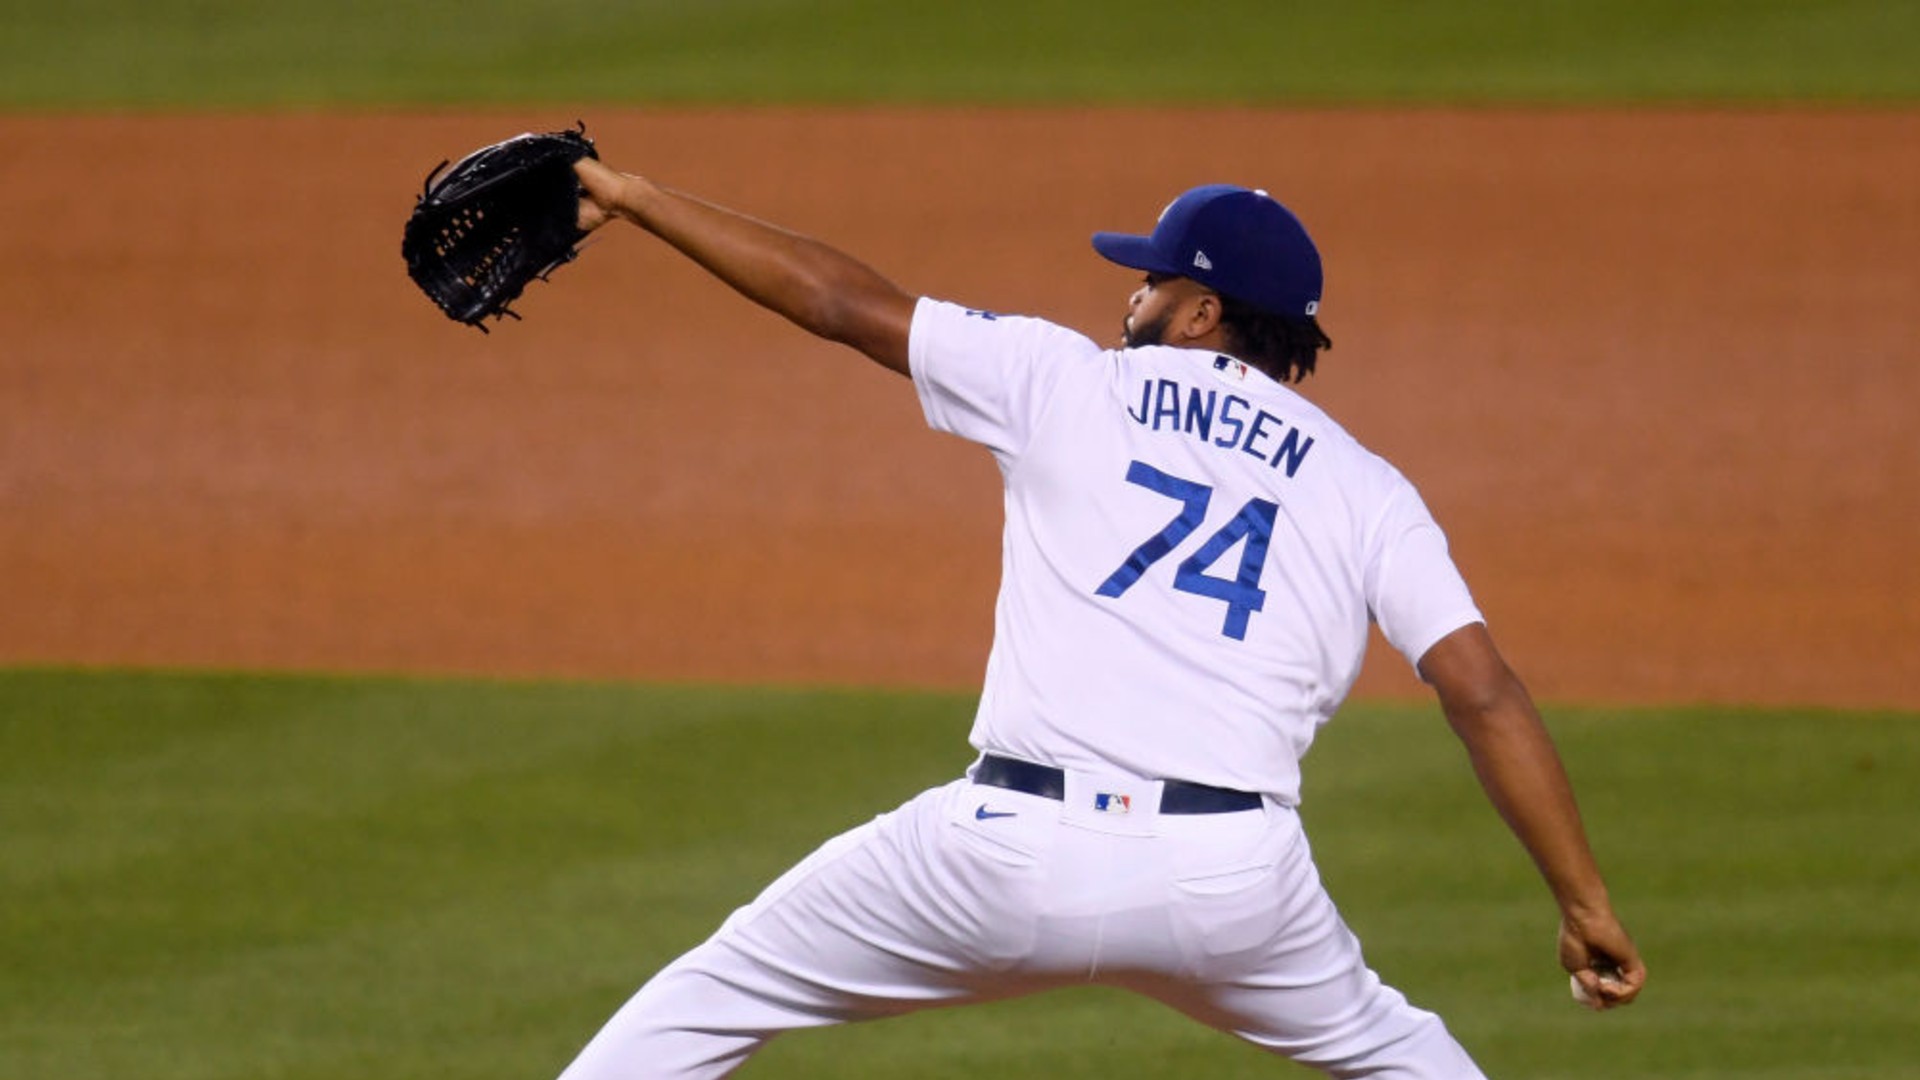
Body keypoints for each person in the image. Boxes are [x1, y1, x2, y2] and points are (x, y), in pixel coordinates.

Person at [555, 153, 1646, 1079]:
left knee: (711, 996)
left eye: (1153, 281)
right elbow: (1480, 689)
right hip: (1234, 884)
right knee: (1404, 1052)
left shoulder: (1064, 380)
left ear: (1204, 312)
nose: (1131, 295)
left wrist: (642, 201)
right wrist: (1584, 902)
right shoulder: (1368, 488)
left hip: (1001, 858)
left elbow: (840, 304)